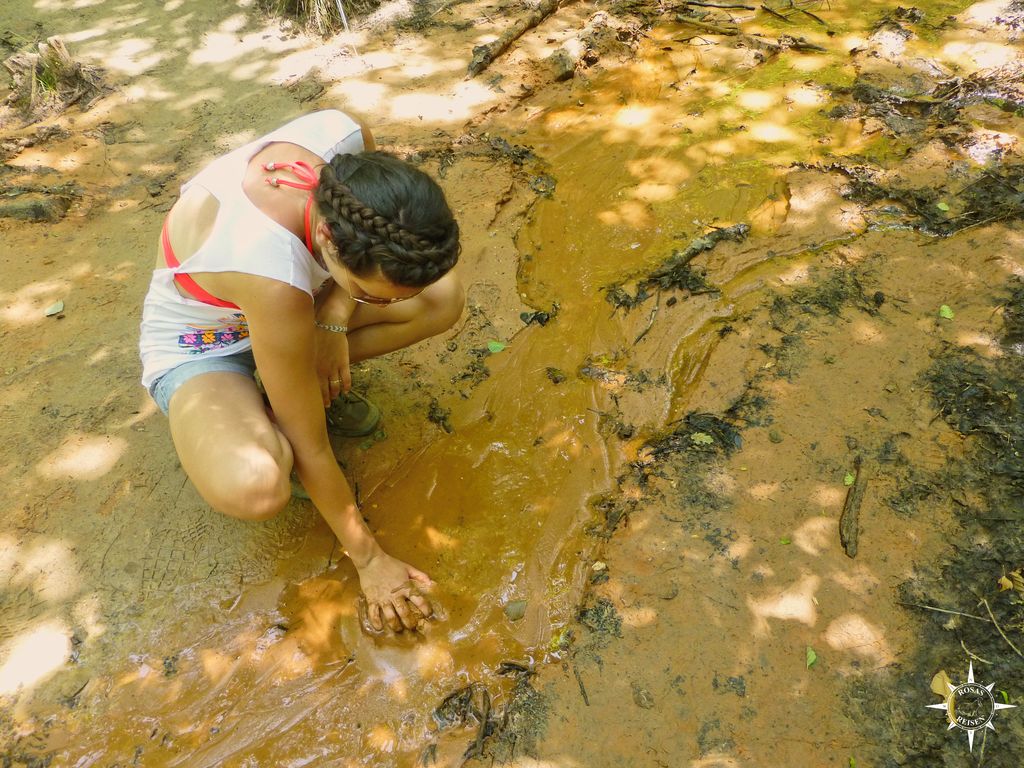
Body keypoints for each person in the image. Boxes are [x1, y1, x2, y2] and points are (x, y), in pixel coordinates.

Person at [139, 109, 464, 633]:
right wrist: (369, 559)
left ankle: (283, 383)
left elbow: (356, 281)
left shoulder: (344, 138)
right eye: (369, 296)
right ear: (332, 240)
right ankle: (256, 402)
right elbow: (311, 443)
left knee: (441, 299)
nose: (379, 307)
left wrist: (336, 315)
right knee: (258, 484)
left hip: (296, 312)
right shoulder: (268, 268)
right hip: (205, 345)